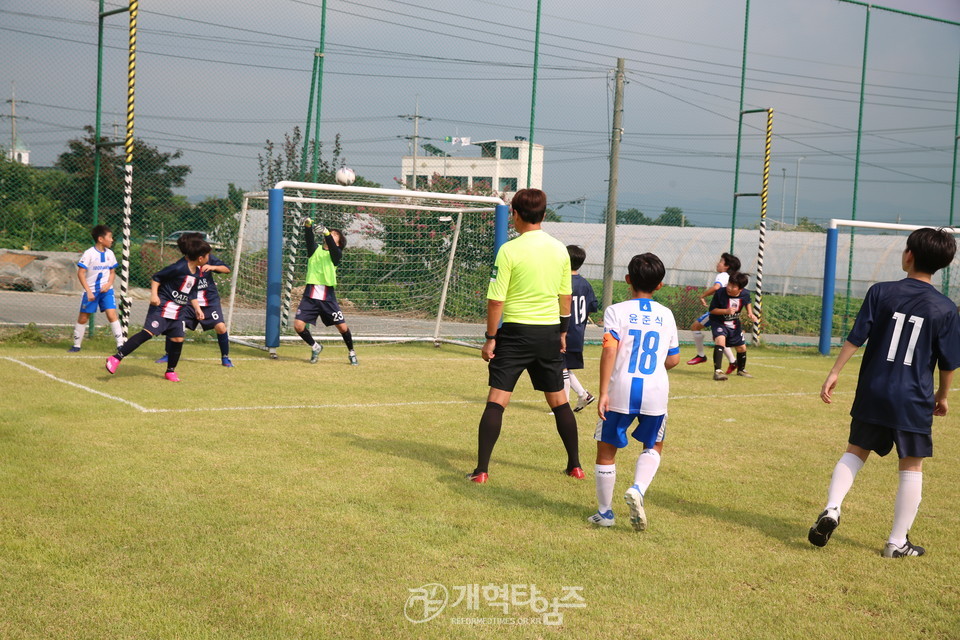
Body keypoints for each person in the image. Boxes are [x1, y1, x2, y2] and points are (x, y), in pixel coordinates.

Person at [808, 227, 960, 558]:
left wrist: (835, 372)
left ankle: (832, 508)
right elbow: (949, 363)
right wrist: (943, 395)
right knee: (911, 465)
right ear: (942, 265)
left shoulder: (881, 291)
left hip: (874, 390)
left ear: (909, 255)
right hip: (914, 397)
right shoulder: (946, 308)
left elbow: (856, 335)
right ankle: (896, 543)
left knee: (855, 450)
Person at [467, 188, 582, 483]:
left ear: (515, 215)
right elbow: (565, 297)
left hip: (516, 333)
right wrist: (563, 332)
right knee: (559, 401)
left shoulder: (509, 250)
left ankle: (482, 471)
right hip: (548, 333)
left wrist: (491, 336)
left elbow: (496, 301)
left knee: (497, 400)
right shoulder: (559, 249)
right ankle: (576, 466)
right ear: (543, 215)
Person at [588, 253, 680, 531]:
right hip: (656, 391)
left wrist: (603, 391)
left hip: (621, 389)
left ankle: (605, 513)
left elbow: (609, 351)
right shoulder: (666, 314)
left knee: (606, 449)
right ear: (660, 285)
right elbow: (674, 359)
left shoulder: (616, 311)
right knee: (653, 445)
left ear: (627, 279)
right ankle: (638, 488)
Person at [104, 235, 210, 382]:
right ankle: (116, 358)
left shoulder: (198, 272)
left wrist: (197, 308)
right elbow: (156, 277)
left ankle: (170, 371)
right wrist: (154, 295)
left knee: (178, 339)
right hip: (162, 307)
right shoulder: (178, 267)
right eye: (207, 255)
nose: (208, 258)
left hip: (179, 311)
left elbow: (191, 291)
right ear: (200, 258)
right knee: (147, 333)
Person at [155, 232, 234, 367]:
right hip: (190, 302)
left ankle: (225, 357)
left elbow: (227, 269)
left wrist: (214, 267)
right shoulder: (182, 265)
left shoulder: (207, 258)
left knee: (220, 327)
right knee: (176, 326)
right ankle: (168, 354)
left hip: (209, 301)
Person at [293, 218, 358, 365]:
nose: (330, 234)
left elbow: (334, 250)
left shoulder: (336, 255)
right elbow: (309, 238)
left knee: (342, 327)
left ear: (339, 243)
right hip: (310, 296)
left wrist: (328, 233)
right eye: (331, 233)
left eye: (335, 234)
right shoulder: (315, 250)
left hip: (328, 298)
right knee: (298, 326)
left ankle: (351, 352)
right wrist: (308, 225)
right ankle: (315, 347)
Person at [69, 225, 125, 352]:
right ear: (100, 239)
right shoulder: (89, 253)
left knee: (112, 314)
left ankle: (120, 345)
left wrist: (109, 284)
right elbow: (81, 273)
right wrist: (88, 291)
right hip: (91, 291)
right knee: (83, 317)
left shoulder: (110, 254)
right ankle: (76, 345)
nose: (112, 240)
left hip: (106, 291)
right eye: (110, 237)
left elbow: (112, 272)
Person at [686, 253, 739, 372]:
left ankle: (701, 355)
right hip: (728, 312)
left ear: (727, 266)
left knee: (695, 327)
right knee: (720, 338)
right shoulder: (732, 277)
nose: (718, 263)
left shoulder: (723, 275)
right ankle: (733, 362)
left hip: (718, 311)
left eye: (720, 261)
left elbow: (716, 287)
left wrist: (702, 295)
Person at [565, 244, 599, 412]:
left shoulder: (562, 281)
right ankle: (583, 395)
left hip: (564, 331)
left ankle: (562, 405)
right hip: (578, 331)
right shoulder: (585, 284)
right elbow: (593, 306)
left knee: (560, 367)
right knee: (562, 367)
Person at [707, 271, 759, 381]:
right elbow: (712, 310)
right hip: (719, 322)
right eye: (729, 284)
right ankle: (718, 371)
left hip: (734, 323)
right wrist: (726, 311)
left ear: (740, 289)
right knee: (720, 340)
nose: (729, 288)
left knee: (741, 347)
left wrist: (750, 313)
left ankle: (741, 370)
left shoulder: (745, 293)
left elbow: (747, 301)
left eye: (733, 286)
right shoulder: (720, 293)